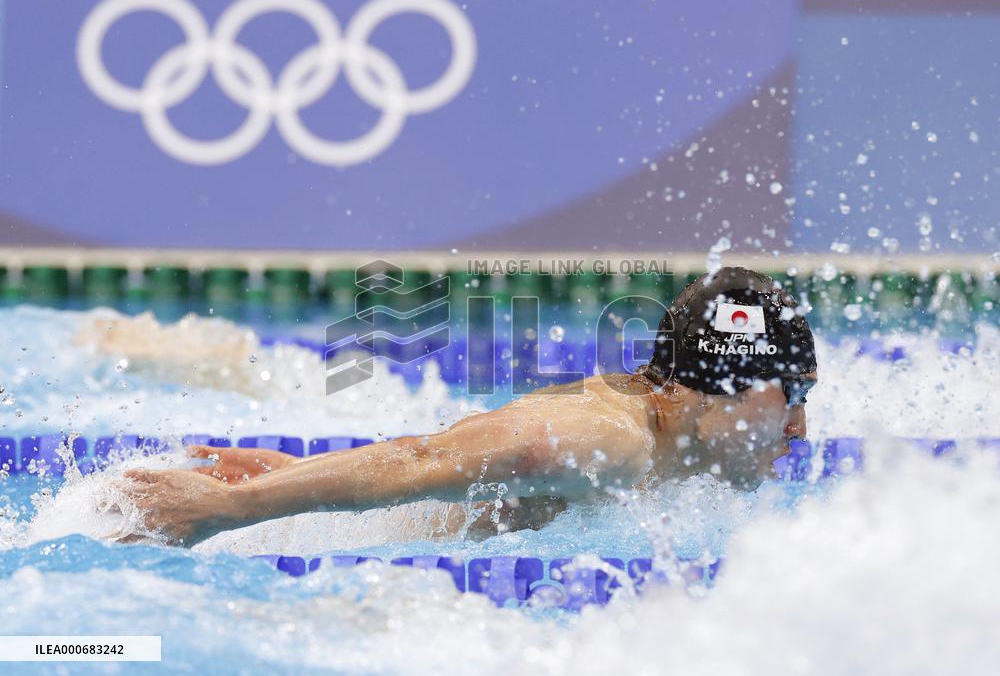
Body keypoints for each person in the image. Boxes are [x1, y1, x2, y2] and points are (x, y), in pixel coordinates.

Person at [117, 267, 818, 546]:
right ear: (709, 387)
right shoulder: (602, 439)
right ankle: (129, 340)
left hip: (371, 525)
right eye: (789, 393)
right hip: (319, 543)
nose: (800, 425)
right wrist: (229, 510)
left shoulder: (674, 443)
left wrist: (293, 473)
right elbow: (422, 456)